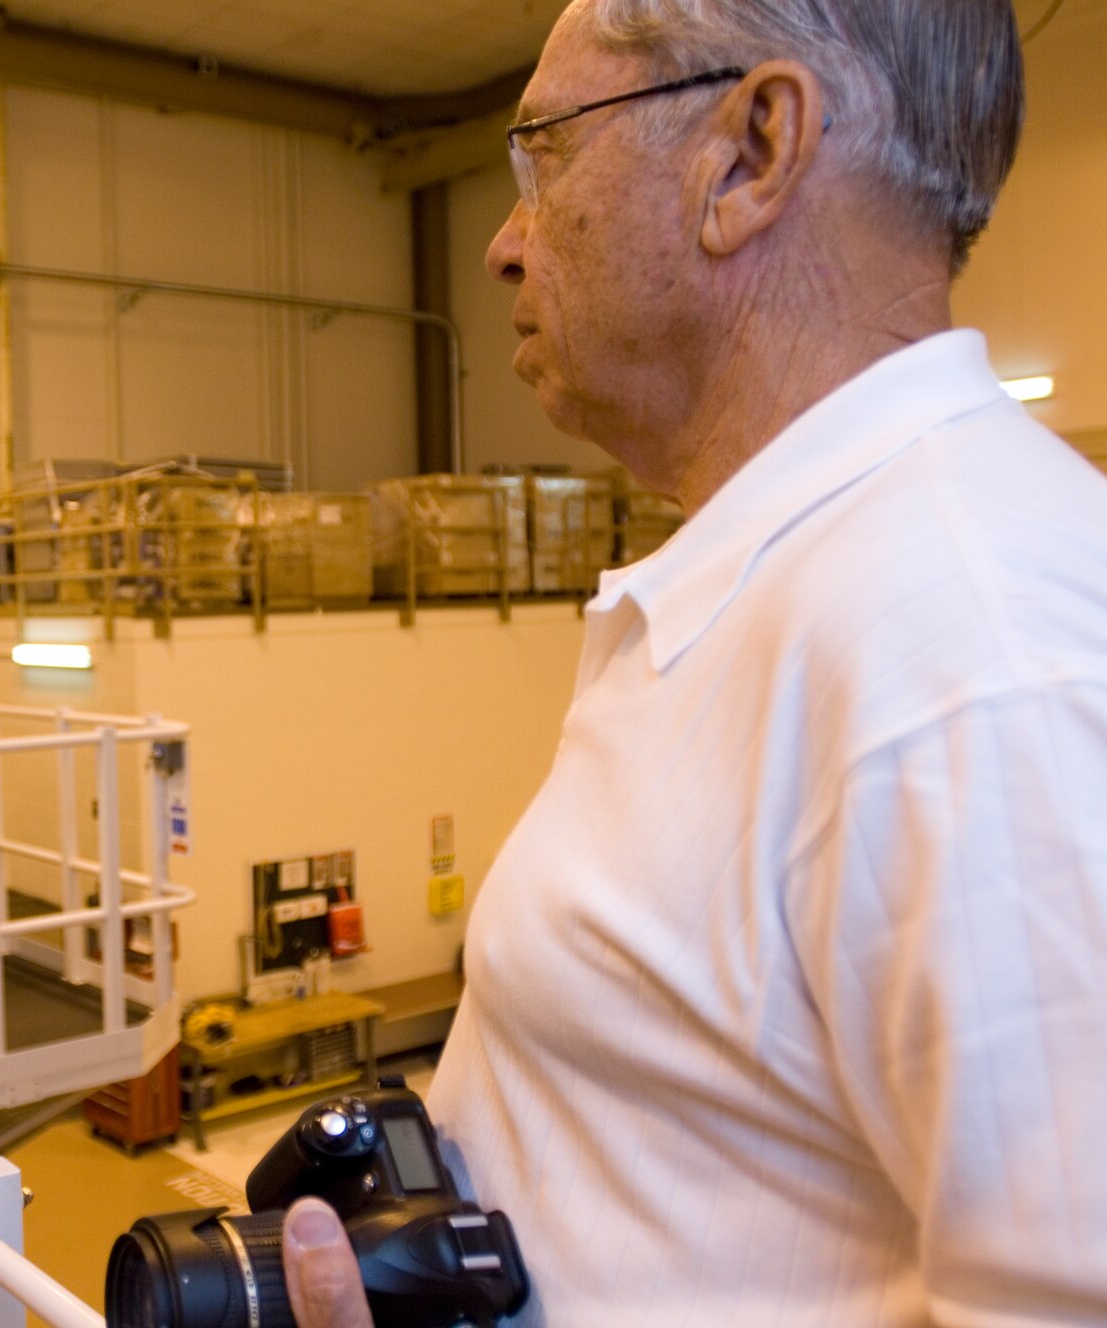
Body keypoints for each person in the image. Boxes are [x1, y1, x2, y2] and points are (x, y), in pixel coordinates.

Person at [286, 0, 1107, 1323]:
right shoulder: (797, 583)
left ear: (751, 152)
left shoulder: (979, 645)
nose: (502, 246)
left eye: (544, 152)